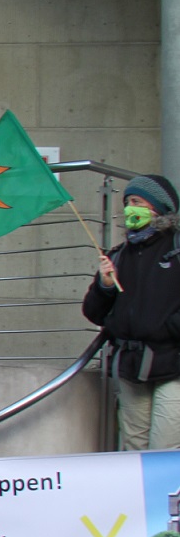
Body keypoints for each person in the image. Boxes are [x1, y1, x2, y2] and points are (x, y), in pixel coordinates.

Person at [84, 174, 180, 451]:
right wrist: (104, 286)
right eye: (127, 202)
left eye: (137, 202)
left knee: (165, 448)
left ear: (158, 207)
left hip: (172, 365)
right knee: (133, 447)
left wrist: (166, 329)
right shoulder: (119, 255)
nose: (129, 209)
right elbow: (94, 313)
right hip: (130, 367)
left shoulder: (175, 250)